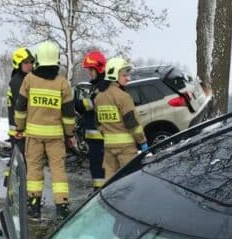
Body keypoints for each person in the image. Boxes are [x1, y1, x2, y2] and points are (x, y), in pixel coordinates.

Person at [14, 41, 77, 220]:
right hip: (55, 137)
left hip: (33, 136)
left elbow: (20, 107)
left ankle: (34, 206)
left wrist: (19, 128)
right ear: (56, 60)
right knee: (58, 171)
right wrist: (70, 134)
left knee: (34, 170)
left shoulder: (29, 80)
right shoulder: (62, 83)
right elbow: (68, 114)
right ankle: (62, 206)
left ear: (39, 59)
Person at [94, 57, 148, 181]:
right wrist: (143, 143)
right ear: (114, 75)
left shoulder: (98, 97)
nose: (128, 78)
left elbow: (98, 124)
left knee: (110, 182)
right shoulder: (123, 96)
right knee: (129, 182)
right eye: (124, 75)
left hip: (108, 147)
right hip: (126, 148)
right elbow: (133, 125)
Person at [75, 51, 108, 193]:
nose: (89, 73)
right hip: (96, 137)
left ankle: (99, 192)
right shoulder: (99, 85)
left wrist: (75, 103)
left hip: (99, 137)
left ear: (99, 69)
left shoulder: (102, 87)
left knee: (98, 167)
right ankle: (99, 190)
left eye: (91, 70)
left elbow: (89, 105)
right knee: (97, 166)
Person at [3, 47, 34, 187]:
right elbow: (22, 105)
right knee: (20, 161)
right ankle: (14, 187)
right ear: (18, 63)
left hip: (20, 128)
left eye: (31, 62)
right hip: (18, 130)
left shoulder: (23, 79)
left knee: (18, 159)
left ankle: (11, 184)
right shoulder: (17, 81)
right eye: (26, 62)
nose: (30, 65)